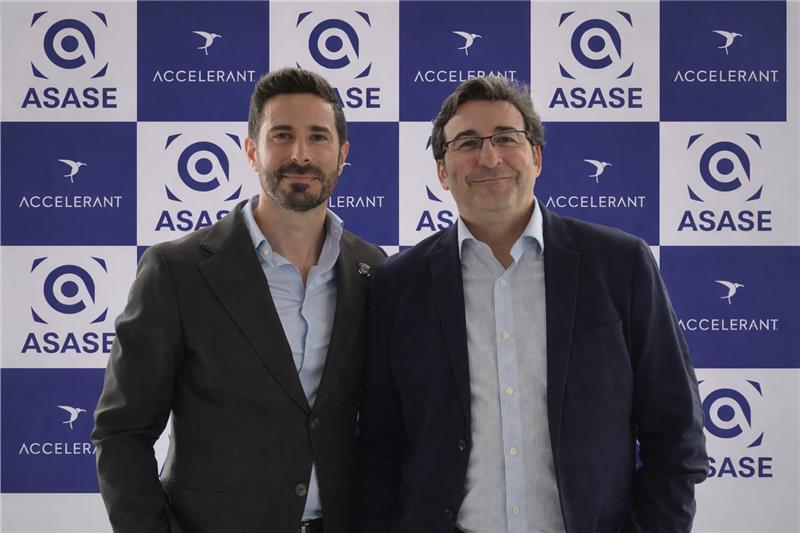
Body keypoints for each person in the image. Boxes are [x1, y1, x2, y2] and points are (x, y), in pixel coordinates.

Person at [357, 76, 708, 533]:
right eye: (467, 143)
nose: (489, 158)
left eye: (506, 138)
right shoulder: (397, 284)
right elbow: (379, 445)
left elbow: (676, 430)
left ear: (536, 157)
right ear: (442, 171)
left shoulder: (620, 265)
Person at [93, 67, 385, 533]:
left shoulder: (372, 269)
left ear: (342, 154)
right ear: (251, 150)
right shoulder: (176, 271)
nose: (300, 154)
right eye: (282, 135)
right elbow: (122, 431)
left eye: (318, 137)